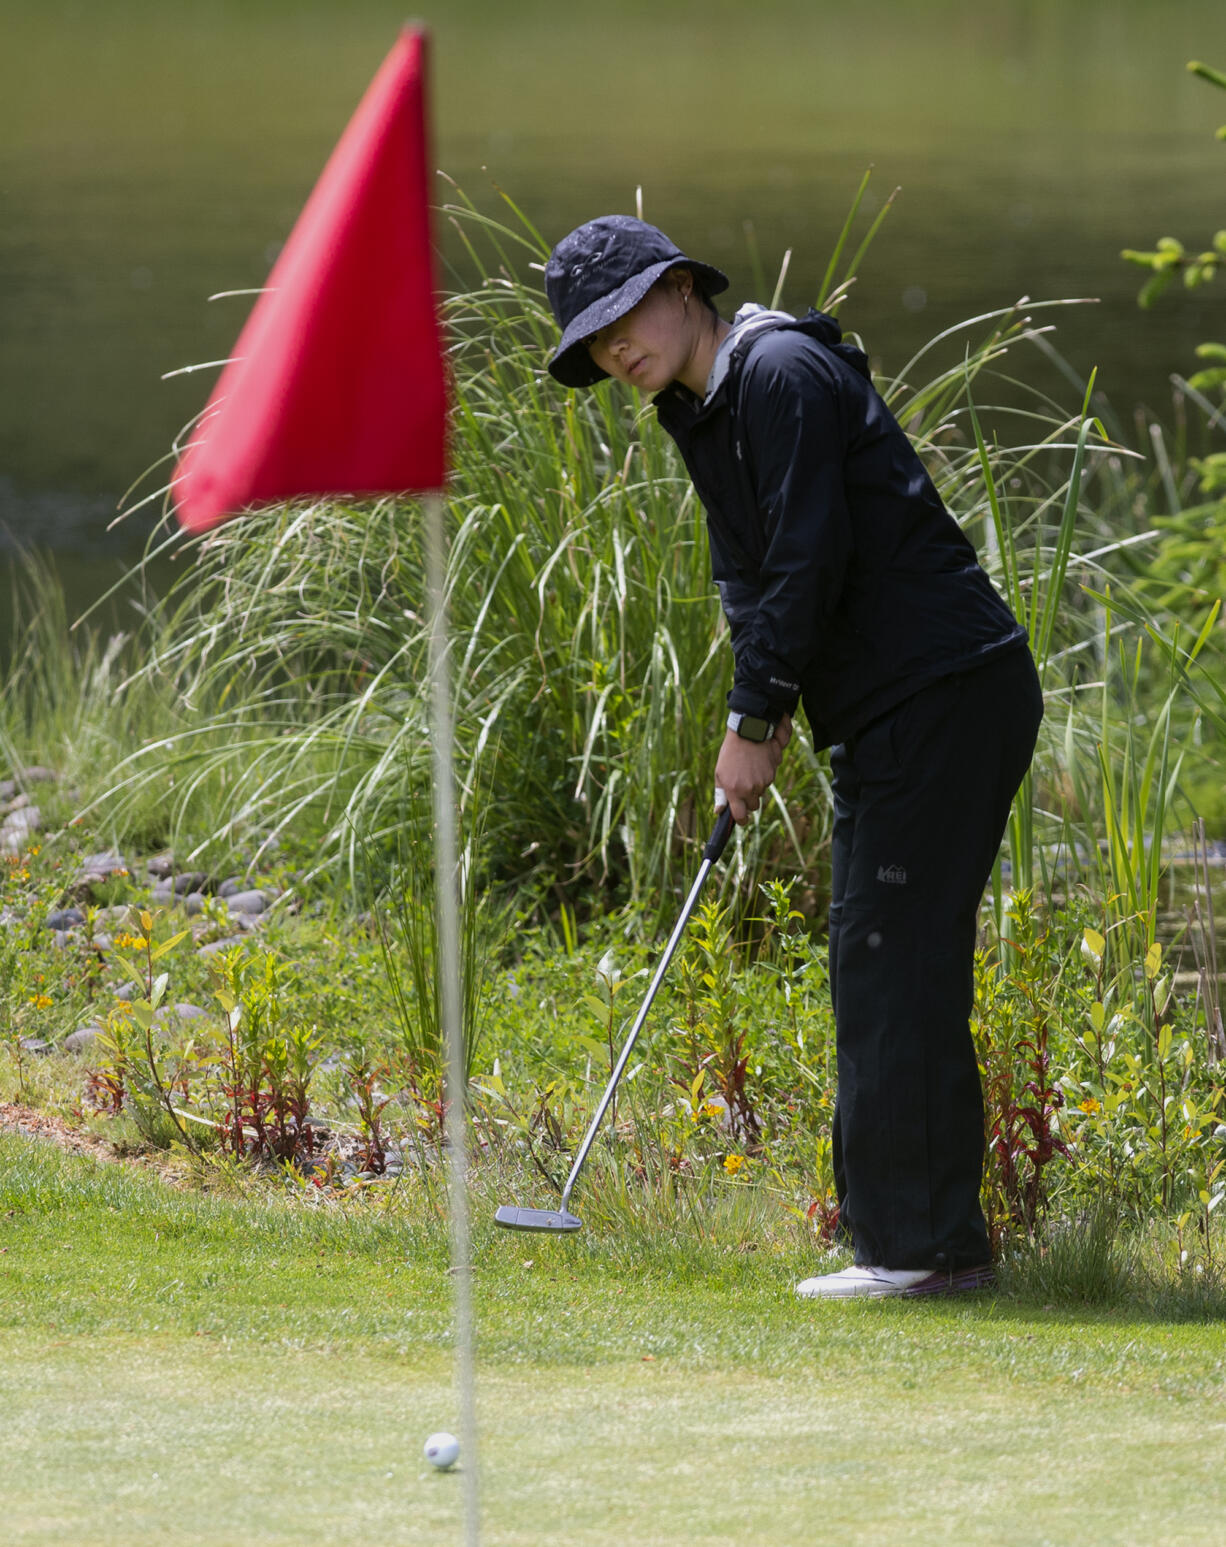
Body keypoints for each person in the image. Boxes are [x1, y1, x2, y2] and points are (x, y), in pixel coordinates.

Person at [543, 215, 1043, 1299]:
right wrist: (760, 704)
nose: (611, 352)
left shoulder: (777, 372)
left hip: (943, 691)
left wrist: (754, 719)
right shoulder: (697, 406)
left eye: (620, 318)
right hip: (892, 710)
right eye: (592, 343)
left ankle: (917, 1253)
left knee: (890, 958)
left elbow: (809, 560)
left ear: (678, 287)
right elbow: (750, 571)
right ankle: (914, 1240)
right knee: (880, 956)